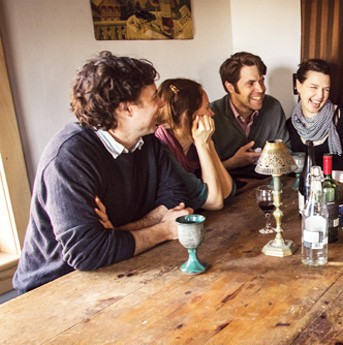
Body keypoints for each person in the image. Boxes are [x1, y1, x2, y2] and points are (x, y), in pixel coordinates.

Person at [13, 51, 209, 294]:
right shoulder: (69, 157)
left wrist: (113, 232)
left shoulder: (149, 143)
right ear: (125, 109)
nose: (161, 103)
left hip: (122, 270)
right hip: (54, 288)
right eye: (154, 97)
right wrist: (163, 229)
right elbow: (88, 251)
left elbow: (177, 202)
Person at [286, 59, 343, 182]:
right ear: (299, 86)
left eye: (326, 89)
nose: (320, 95)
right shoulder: (290, 125)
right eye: (314, 87)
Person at [210, 52, 289, 182]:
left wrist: (270, 158)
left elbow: (287, 153)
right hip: (228, 187)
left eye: (261, 81)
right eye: (250, 83)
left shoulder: (273, 106)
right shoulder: (211, 115)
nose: (261, 89)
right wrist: (232, 163)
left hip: (268, 183)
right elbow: (201, 174)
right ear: (230, 87)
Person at [155, 78, 234, 206]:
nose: (212, 113)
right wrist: (203, 145)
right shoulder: (161, 147)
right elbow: (215, 202)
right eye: (207, 108)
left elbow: (227, 193)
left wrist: (208, 143)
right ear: (188, 116)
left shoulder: (196, 138)